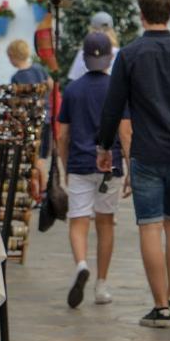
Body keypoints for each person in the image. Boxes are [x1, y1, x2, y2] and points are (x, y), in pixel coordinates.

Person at [98, 0, 170, 329]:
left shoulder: (130, 55)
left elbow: (114, 106)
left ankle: (159, 306)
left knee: (149, 226)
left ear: (141, 13)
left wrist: (104, 147)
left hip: (147, 150)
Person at [58, 31, 129, 308]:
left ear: (85, 59)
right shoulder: (117, 89)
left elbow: (63, 134)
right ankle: (101, 284)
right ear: (110, 59)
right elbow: (125, 132)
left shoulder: (73, 89)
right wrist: (130, 167)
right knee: (105, 223)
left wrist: (65, 165)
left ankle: (81, 265)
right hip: (110, 164)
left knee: (78, 220)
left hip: (79, 163)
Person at [7, 39, 53, 167]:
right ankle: (41, 182)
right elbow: (51, 84)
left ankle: (37, 182)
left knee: (32, 154)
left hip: (29, 121)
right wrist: (44, 95)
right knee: (42, 156)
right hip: (45, 118)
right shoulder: (39, 69)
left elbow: (15, 102)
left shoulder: (16, 78)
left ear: (13, 57)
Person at [68, 11, 117, 81]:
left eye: (105, 30)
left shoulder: (83, 52)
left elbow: (75, 79)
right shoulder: (120, 53)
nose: (102, 32)